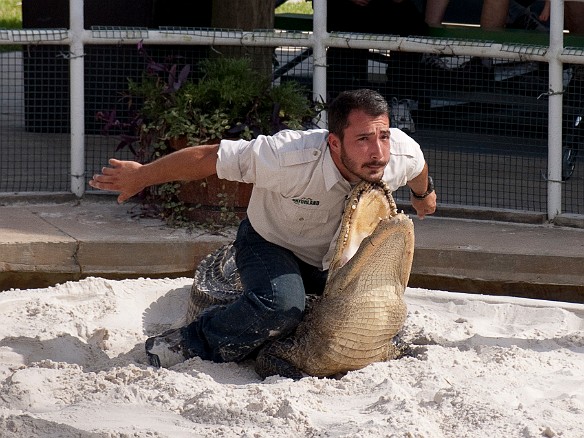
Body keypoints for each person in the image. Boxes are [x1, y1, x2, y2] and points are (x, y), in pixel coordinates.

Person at [89, 88, 437, 368]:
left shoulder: (398, 155)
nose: (377, 151)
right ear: (333, 142)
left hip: (334, 255)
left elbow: (418, 166)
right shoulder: (287, 157)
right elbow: (211, 157)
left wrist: (424, 195)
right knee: (282, 307)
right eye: (362, 139)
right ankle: (186, 341)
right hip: (271, 242)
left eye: (383, 136)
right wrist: (141, 175)